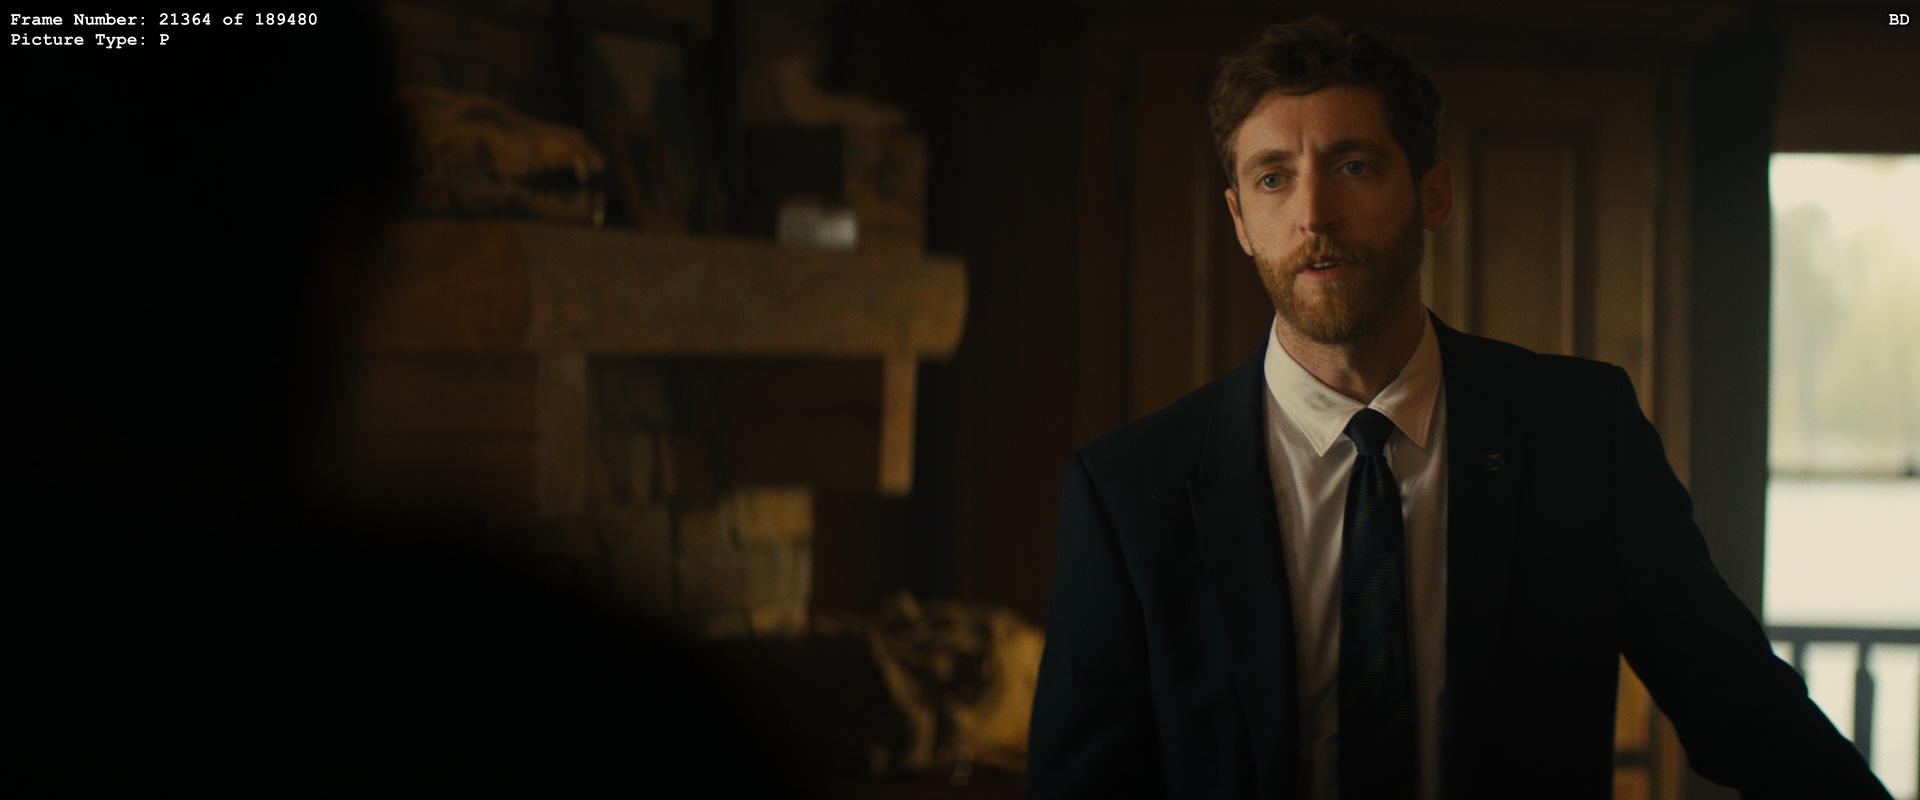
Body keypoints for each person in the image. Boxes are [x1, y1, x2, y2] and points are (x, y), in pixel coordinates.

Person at [1026, 16, 1889, 800]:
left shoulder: (1580, 436)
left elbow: (1747, 713)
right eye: (1274, 178)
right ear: (1241, 220)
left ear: (1433, 194)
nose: (1314, 213)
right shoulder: (1129, 491)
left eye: (1353, 166)